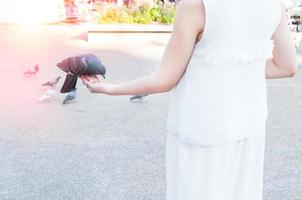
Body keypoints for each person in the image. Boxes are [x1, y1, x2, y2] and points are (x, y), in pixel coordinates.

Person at [81, 0, 298, 199]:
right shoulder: (272, 3)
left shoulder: (196, 5)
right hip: (249, 127)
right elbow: (286, 66)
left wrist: (110, 88)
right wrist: (238, 70)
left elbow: (164, 79)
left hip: (203, 130)